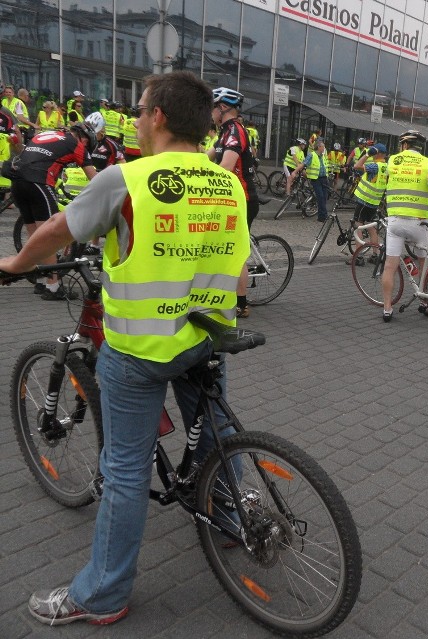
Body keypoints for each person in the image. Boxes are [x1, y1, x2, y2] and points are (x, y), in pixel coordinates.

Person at [0, 70, 249, 627]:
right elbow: (238, 269)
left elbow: (58, 229)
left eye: (139, 110)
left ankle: (103, 594)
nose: (135, 118)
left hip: (140, 348)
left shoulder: (126, 179)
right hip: (206, 334)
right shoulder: (225, 182)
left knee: (126, 470)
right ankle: (231, 517)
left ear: (158, 116)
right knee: (215, 432)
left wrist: (15, 265)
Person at [8, 121, 98, 299]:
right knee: (48, 237)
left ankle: (41, 281)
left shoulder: (46, 135)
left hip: (17, 182)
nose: (86, 146)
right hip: (38, 183)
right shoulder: (76, 144)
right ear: (83, 138)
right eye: (87, 143)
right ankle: (53, 287)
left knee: (35, 236)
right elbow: (95, 179)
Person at [382, 129, 428, 322]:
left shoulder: (393, 160)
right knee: (424, 264)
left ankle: (387, 309)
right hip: (420, 223)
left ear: (404, 145)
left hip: (395, 222)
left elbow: (386, 183)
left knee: (389, 266)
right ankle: (424, 303)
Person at [208, 87, 259, 318]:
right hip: (228, 199)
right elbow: (206, 157)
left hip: (242, 200)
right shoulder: (223, 133)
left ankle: (241, 304)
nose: (211, 112)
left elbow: (226, 167)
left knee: (235, 253)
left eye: (213, 107)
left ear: (223, 107)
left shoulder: (236, 130)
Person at [349, 142, 388, 259]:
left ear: (378, 153)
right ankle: (375, 255)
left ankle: (358, 256)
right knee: (371, 227)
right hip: (374, 202)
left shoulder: (375, 166)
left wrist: (366, 154)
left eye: (374, 152)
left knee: (358, 226)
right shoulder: (386, 167)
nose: (373, 154)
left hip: (364, 200)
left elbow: (357, 166)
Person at [288, 137, 330, 223]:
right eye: (323, 147)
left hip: (324, 179)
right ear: (319, 147)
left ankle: (321, 216)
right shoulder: (312, 155)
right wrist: (295, 172)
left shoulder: (323, 156)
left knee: (325, 198)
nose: (324, 148)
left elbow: (326, 166)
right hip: (316, 179)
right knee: (321, 197)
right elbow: (303, 164)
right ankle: (323, 217)